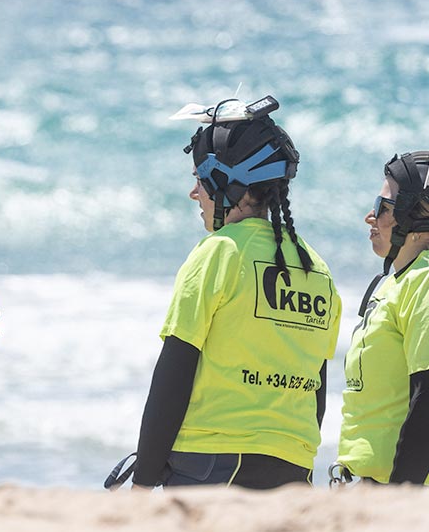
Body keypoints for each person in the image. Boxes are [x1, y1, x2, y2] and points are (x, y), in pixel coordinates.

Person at [131, 97, 341, 489]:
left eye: (199, 180)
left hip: (211, 460)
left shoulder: (218, 253)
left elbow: (175, 370)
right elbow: (317, 389)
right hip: (293, 464)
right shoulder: (318, 269)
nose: (195, 194)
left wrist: (144, 478)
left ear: (228, 184)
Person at [335, 151, 429, 485]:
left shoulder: (424, 282)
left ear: (416, 216)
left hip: (401, 490)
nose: (369, 216)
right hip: (369, 486)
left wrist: (399, 496)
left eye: (383, 206)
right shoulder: (391, 282)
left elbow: (427, 398)